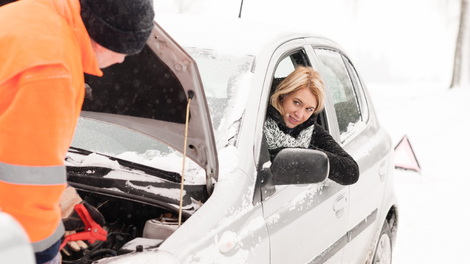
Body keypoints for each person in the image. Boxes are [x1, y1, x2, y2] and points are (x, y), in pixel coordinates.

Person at [0, 0, 155, 263]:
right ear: (108, 35)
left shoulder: (28, 14)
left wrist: (63, 194)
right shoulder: (52, 66)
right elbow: (23, 183)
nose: (121, 61)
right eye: (124, 50)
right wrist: (45, 251)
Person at [264, 66, 359, 185]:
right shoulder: (257, 120)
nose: (299, 114)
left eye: (309, 109)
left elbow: (351, 172)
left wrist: (306, 153)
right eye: (297, 102)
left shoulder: (308, 130)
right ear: (283, 95)